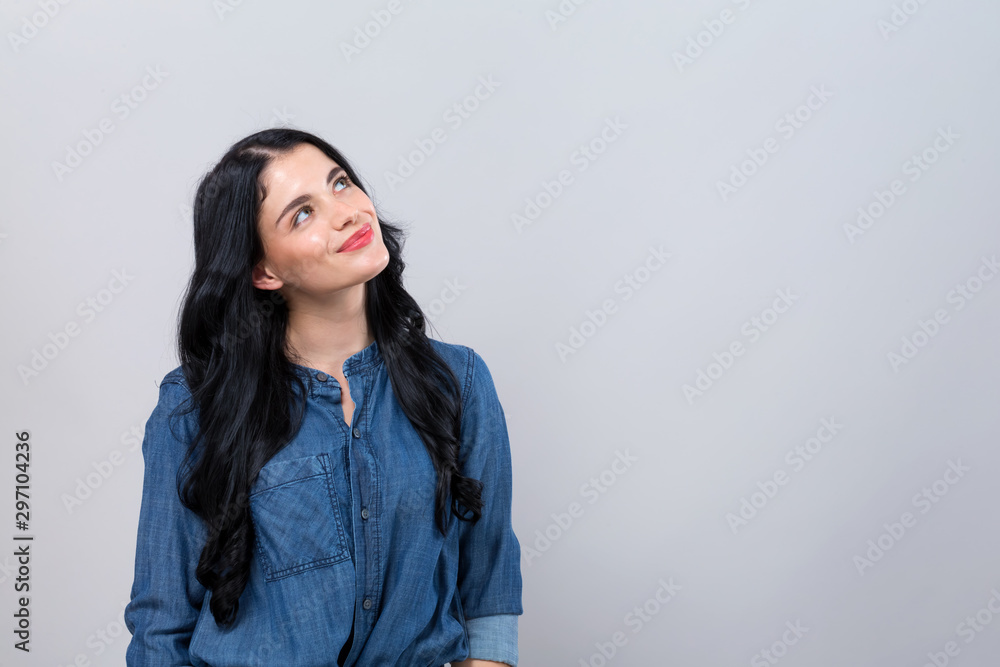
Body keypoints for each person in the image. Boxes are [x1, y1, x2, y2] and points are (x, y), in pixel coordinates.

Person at [123, 128, 523, 666]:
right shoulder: (194, 410)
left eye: (340, 183)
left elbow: (487, 578)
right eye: (302, 213)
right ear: (264, 271)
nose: (347, 212)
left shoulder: (458, 380)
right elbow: (161, 623)